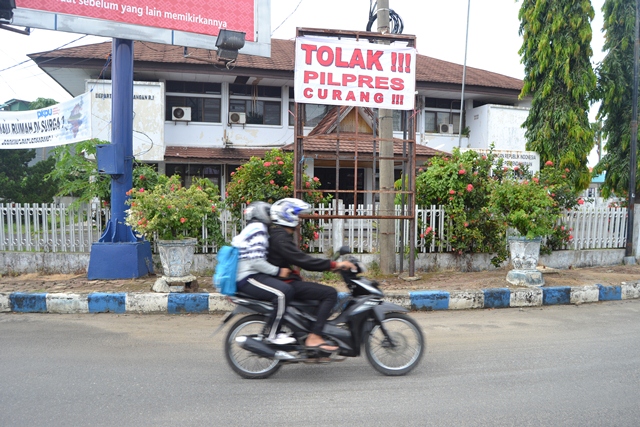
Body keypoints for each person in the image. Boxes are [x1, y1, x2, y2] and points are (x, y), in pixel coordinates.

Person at [267, 198, 357, 352]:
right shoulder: (280, 238)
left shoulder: (279, 235)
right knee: (329, 293)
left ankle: (309, 332)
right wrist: (334, 265)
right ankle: (314, 336)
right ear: (288, 216)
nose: (299, 220)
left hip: (284, 281)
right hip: (285, 283)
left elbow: (300, 259)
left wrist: (331, 264)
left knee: (316, 295)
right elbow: (303, 261)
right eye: (297, 216)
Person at [232, 201, 295, 345]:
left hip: (251, 275)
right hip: (247, 277)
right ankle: (273, 334)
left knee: (286, 290)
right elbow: (256, 261)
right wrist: (278, 271)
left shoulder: (252, 228)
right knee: (282, 293)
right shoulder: (258, 229)